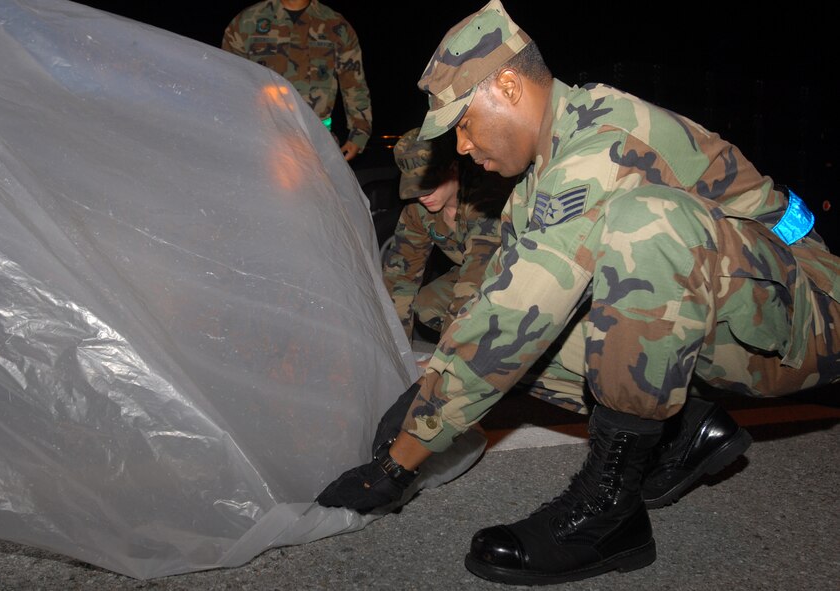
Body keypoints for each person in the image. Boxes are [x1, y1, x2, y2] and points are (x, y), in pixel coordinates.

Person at [316, 0, 840, 585]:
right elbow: (496, 303)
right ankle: (680, 431)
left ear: (508, 86)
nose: (460, 148)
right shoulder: (539, 176)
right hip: (743, 308)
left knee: (644, 224)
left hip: (812, 308)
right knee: (507, 323)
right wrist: (425, 394)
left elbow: (517, 320)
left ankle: (609, 513)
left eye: (463, 122)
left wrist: (398, 464)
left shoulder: (601, 143)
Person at [383, 127, 514, 348]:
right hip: (475, 277)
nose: (422, 196)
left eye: (429, 185)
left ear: (452, 169)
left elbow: (473, 284)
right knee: (427, 304)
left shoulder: (486, 200)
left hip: (513, 278)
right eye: (415, 187)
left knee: (485, 315)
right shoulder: (418, 212)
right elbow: (399, 281)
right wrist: (396, 352)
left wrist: (443, 362)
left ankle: (498, 350)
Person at [222, 0, 372, 161]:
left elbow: (354, 84)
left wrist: (358, 135)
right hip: (261, 138)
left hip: (316, 141)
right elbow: (229, 81)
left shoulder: (336, 25)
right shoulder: (247, 21)